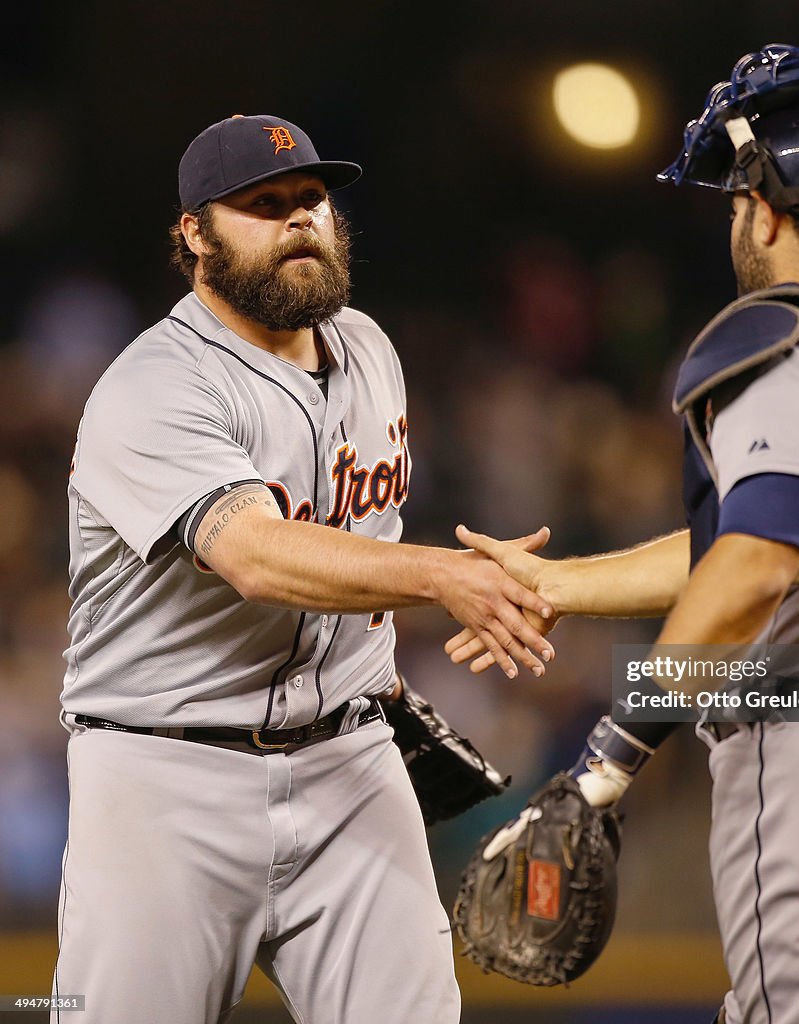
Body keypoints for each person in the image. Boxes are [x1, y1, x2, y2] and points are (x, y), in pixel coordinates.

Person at [447, 45, 799, 1024]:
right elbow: (772, 540)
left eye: (736, 195)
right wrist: (559, 583)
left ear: (770, 206)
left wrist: (609, 755)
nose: (733, 218)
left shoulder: (784, 335)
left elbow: (751, 567)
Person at [53, 113, 556, 1024]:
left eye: (312, 199)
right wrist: (443, 576)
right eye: (262, 204)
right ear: (193, 235)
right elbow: (252, 552)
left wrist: (380, 684)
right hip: (166, 777)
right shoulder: (152, 385)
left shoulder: (369, 349)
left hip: (350, 765)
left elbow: (361, 535)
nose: (299, 219)